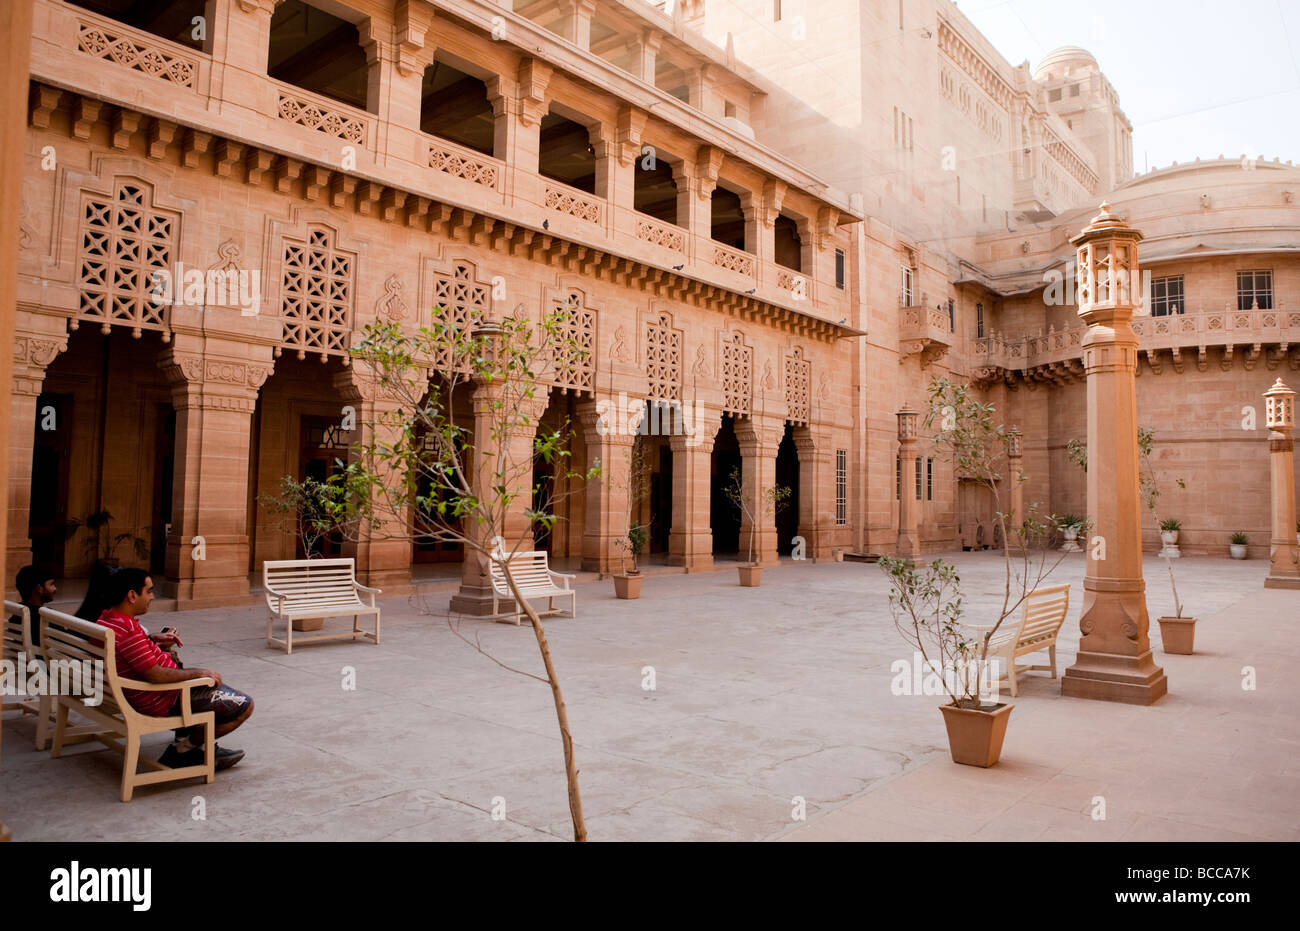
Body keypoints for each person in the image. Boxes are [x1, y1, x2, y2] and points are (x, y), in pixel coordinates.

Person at [95, 568, 253, 770]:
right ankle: (185, 750)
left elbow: (129, 653)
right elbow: (155, 674)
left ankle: (199, 747)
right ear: (132, 595)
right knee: (244, 705)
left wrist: (150, 640)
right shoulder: (129, 632)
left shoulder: (108, 620)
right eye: (149, 591)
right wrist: (199, 673)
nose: (152, 597)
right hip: (162, 699)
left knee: (213, 689)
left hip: (132, 694)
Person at [10, 565, 57, 638]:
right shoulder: (46, 619)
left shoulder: (17, 615)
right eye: (51, 584)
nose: (55, 588)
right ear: (39, 588)